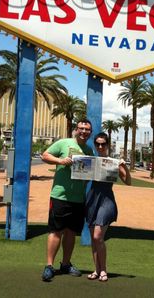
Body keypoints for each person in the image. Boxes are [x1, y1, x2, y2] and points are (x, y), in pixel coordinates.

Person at [40, 119, 94, 282]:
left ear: (90, 132)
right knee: (56, 231)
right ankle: (49, 266)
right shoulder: (63, 143)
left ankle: (65, 264)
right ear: (76, 129)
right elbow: (45, 155)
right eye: (81, 128)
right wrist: (60, 161)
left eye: (87, 129)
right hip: (60, 196)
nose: (84, 131)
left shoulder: (89, 150)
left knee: (71, 232)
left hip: (78, 198)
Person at [86, 132, 131, 283]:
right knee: (93, 239)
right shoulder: (91, 161)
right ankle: (96, 270)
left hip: (106, 201)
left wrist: (124, 166)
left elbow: (128, 181)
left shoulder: (113, 162)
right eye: (97, 144)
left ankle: (104, 269)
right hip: (92, 200)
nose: (100, 146)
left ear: (107, 145)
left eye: (103, 144)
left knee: (98, 236)